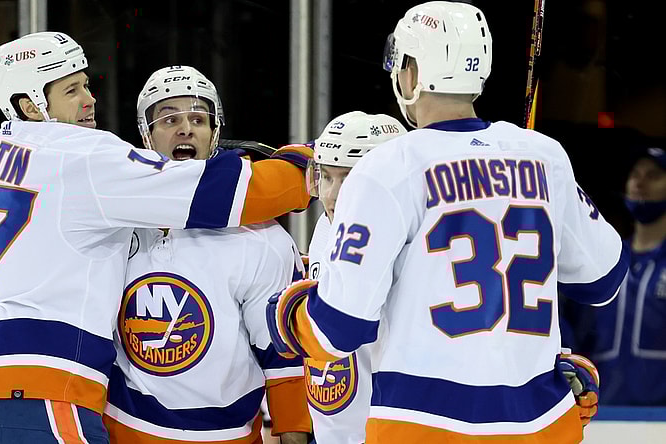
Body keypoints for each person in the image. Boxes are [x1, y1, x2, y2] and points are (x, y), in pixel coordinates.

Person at [266, 2, 628, 443]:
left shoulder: (387, 167)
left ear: (413, 75)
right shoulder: (544, 155)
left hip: (424, 423)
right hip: (541, 421)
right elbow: (603, 280)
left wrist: (288, 314)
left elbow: (338, 328)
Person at [0, 33, 312, 444]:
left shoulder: (1, 150)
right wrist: (306, 172)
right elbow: (222, 193)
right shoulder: (87, 158)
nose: (90, 99)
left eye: (86, 85)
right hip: (42, 384)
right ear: (30, 105)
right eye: (72, 90)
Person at [101, 66, 311, 444]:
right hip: (122, 430)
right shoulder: (111, 222)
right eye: (169, 119)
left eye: (199, 118)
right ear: (145, 133)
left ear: (215, 132)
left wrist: (294, 433)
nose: (186, 129)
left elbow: (282, 351)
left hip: (228, 436)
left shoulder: (262, 236)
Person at [302, 111, 405, 444]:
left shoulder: (412, 249)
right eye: (326, 176)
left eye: (348, 178)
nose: (331, 195)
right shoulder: (326, 228)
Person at [571, 147, 666, 406]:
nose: (639, 182)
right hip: (598, 411)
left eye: (653, 175)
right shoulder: (604, 258)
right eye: (634, 174)